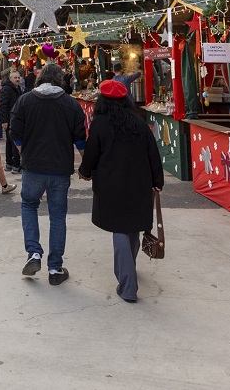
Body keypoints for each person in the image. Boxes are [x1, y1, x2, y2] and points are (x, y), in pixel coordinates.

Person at [77, 80, 165, 303]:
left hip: (111, 185)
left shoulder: (100, 123)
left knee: (119, 230)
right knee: (132, 228)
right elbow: (153, 153)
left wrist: (85, 172)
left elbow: (91, 155)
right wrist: (157, 181)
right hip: (139, 184)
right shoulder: (138, 121)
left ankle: (128, 285)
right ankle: (129, 271)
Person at [11, 62, 86, 286]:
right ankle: (55, 268)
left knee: (28, 205)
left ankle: (33, 253)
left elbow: (15, 133)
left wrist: (25, 152)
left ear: (40, 78)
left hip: (33, 167)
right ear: (60, 79)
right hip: (60, 169)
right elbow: (80, 139)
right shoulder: (70, 104)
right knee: (57, 216)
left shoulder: (24, 101)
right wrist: (87, 166)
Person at [0, 70, 26, 175]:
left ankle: (10, 164)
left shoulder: (17, 88)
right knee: (14, 142)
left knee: (10, 141)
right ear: (10, 79)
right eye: (15, 78)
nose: (18, 79)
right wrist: (4, 120)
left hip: (15, 118)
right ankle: (15, 165)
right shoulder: (6, 89)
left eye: (19, 78)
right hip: (10, 119)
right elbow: (2, 105)